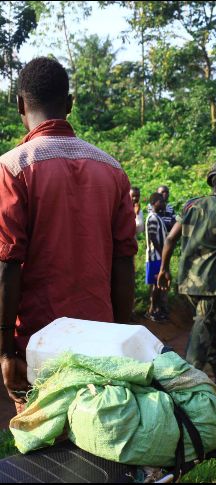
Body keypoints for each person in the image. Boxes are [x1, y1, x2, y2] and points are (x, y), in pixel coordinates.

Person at [0, 57, 137, 410]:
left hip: (39, 343)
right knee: (98, 439)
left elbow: (7, 265)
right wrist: (123, 337)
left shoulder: (13, 167)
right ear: (70, 104)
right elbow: (124, 261)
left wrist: (5, 350)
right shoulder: (112, 170)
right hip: (101, 340)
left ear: (19, 105)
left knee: (43, 445)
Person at [158, 160, 216, 394]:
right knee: (202, 333)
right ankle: (183, 388)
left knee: (209, 327)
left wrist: (164, 268)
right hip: (212, 286)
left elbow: (170, 239)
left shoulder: (190, 206)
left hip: (187, 284)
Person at [145, 192, 170, 322]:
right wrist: (162, 253)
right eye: (161, 201)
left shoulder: (156, 217)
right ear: (154, 203)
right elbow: (153, 238)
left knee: (158, 286)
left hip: (158, 257)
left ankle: (155, 310)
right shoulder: (153, 218)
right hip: (155, 257)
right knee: (156, 285)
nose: (163, 203)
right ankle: (152, 311)